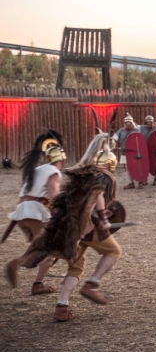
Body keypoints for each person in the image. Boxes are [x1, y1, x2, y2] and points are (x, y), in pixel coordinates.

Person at [6, 133, 121, 322]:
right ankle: (92, 285)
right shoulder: (102, 178)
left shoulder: (81, 174)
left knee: (75, 266)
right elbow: (97, 196)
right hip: (85, 228)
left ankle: (62, 306)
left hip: (70, 229)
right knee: (114, 251)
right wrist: (103, 218)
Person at [3, 130, 66, 295]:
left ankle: (37, 279)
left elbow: (24, 196)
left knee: (43, 248)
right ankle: (23, 269)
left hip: (22, 215)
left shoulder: (38, 169)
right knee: (48, 251)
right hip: (34, 213)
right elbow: (54, 197)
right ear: (60, 160)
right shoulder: (54, 172)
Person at [113, 114, 141, 190]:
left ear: (132, 123)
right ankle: (131, 182)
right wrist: (113, 144)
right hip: (125, 152)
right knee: (128, 168)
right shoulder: (121, 130)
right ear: (124, 123)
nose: (128, 123)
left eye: (129, 122)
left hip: (134, 152)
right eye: (126, 122)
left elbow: (140, 141)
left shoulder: (136, 131)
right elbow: (114, 138)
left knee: (136, 167)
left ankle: (139, 182)